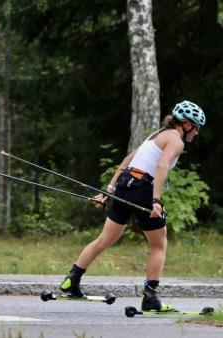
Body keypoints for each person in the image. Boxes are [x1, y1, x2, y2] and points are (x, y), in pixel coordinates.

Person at [60, 100, 205, 311]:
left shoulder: (155, 135)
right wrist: (155, 200)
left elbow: (128, 160)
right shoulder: (176, 140)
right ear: (186, 124)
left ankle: (71, 281)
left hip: (125, 184)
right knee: (159, 245)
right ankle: (150, 298)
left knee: (105, 239)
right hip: (143, 188)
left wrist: (108, 191)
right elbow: (162, 165)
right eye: (196, 127)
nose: (197, 132)